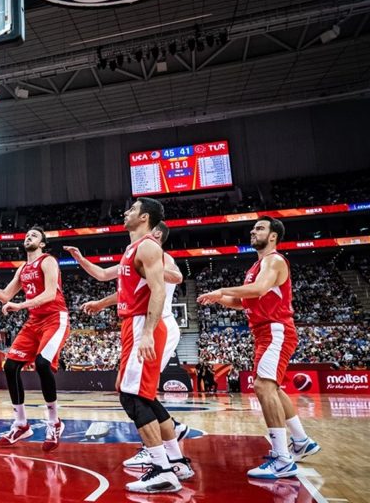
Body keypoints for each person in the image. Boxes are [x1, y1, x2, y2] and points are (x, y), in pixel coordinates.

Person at [64, 221, 193, 473]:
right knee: (133, 389)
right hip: (140, 323)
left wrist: (152, 270)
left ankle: (160, 454)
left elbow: (177, 277)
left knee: (136, 393)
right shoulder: (132, 254)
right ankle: (171, 445)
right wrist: (81, 261)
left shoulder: (157, 253)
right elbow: (104, 276)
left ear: (155, 232)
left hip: (155, 323)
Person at [198, 216, 320, 478]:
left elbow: (258, 289)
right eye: (253, 228)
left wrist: (221, 289)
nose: (254, 231)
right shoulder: (257, 265)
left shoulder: (274, 261)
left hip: (275, 329)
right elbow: (246, 302)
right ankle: (301, 441)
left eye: (260, 228)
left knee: (263, 386)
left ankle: (282, 459)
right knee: (272, 387)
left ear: (273, 235)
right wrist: (219, 300)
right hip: (265, 331)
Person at [106, 198, 187, 493]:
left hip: (144, 323)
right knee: (138, 395)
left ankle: (162, 468)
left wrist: (149, 332)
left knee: (134, 397)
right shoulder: (131, 249)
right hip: (133, 324)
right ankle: (175, 460)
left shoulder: (150, 247)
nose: (126, 212)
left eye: (132, 209)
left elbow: (158, 291)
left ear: (145, 218)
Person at [0, 227, 69, 453]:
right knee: (10, 366)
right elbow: (6, 296)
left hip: (55, 318)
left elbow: (49, 294)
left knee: (43, 364)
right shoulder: (23, 269)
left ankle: (54, 422)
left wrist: (20, 305)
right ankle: (21, 424)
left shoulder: (48, 261)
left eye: (34, 236)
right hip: (34, 321)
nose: (29, 237)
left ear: (43, 243)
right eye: (27, 235)